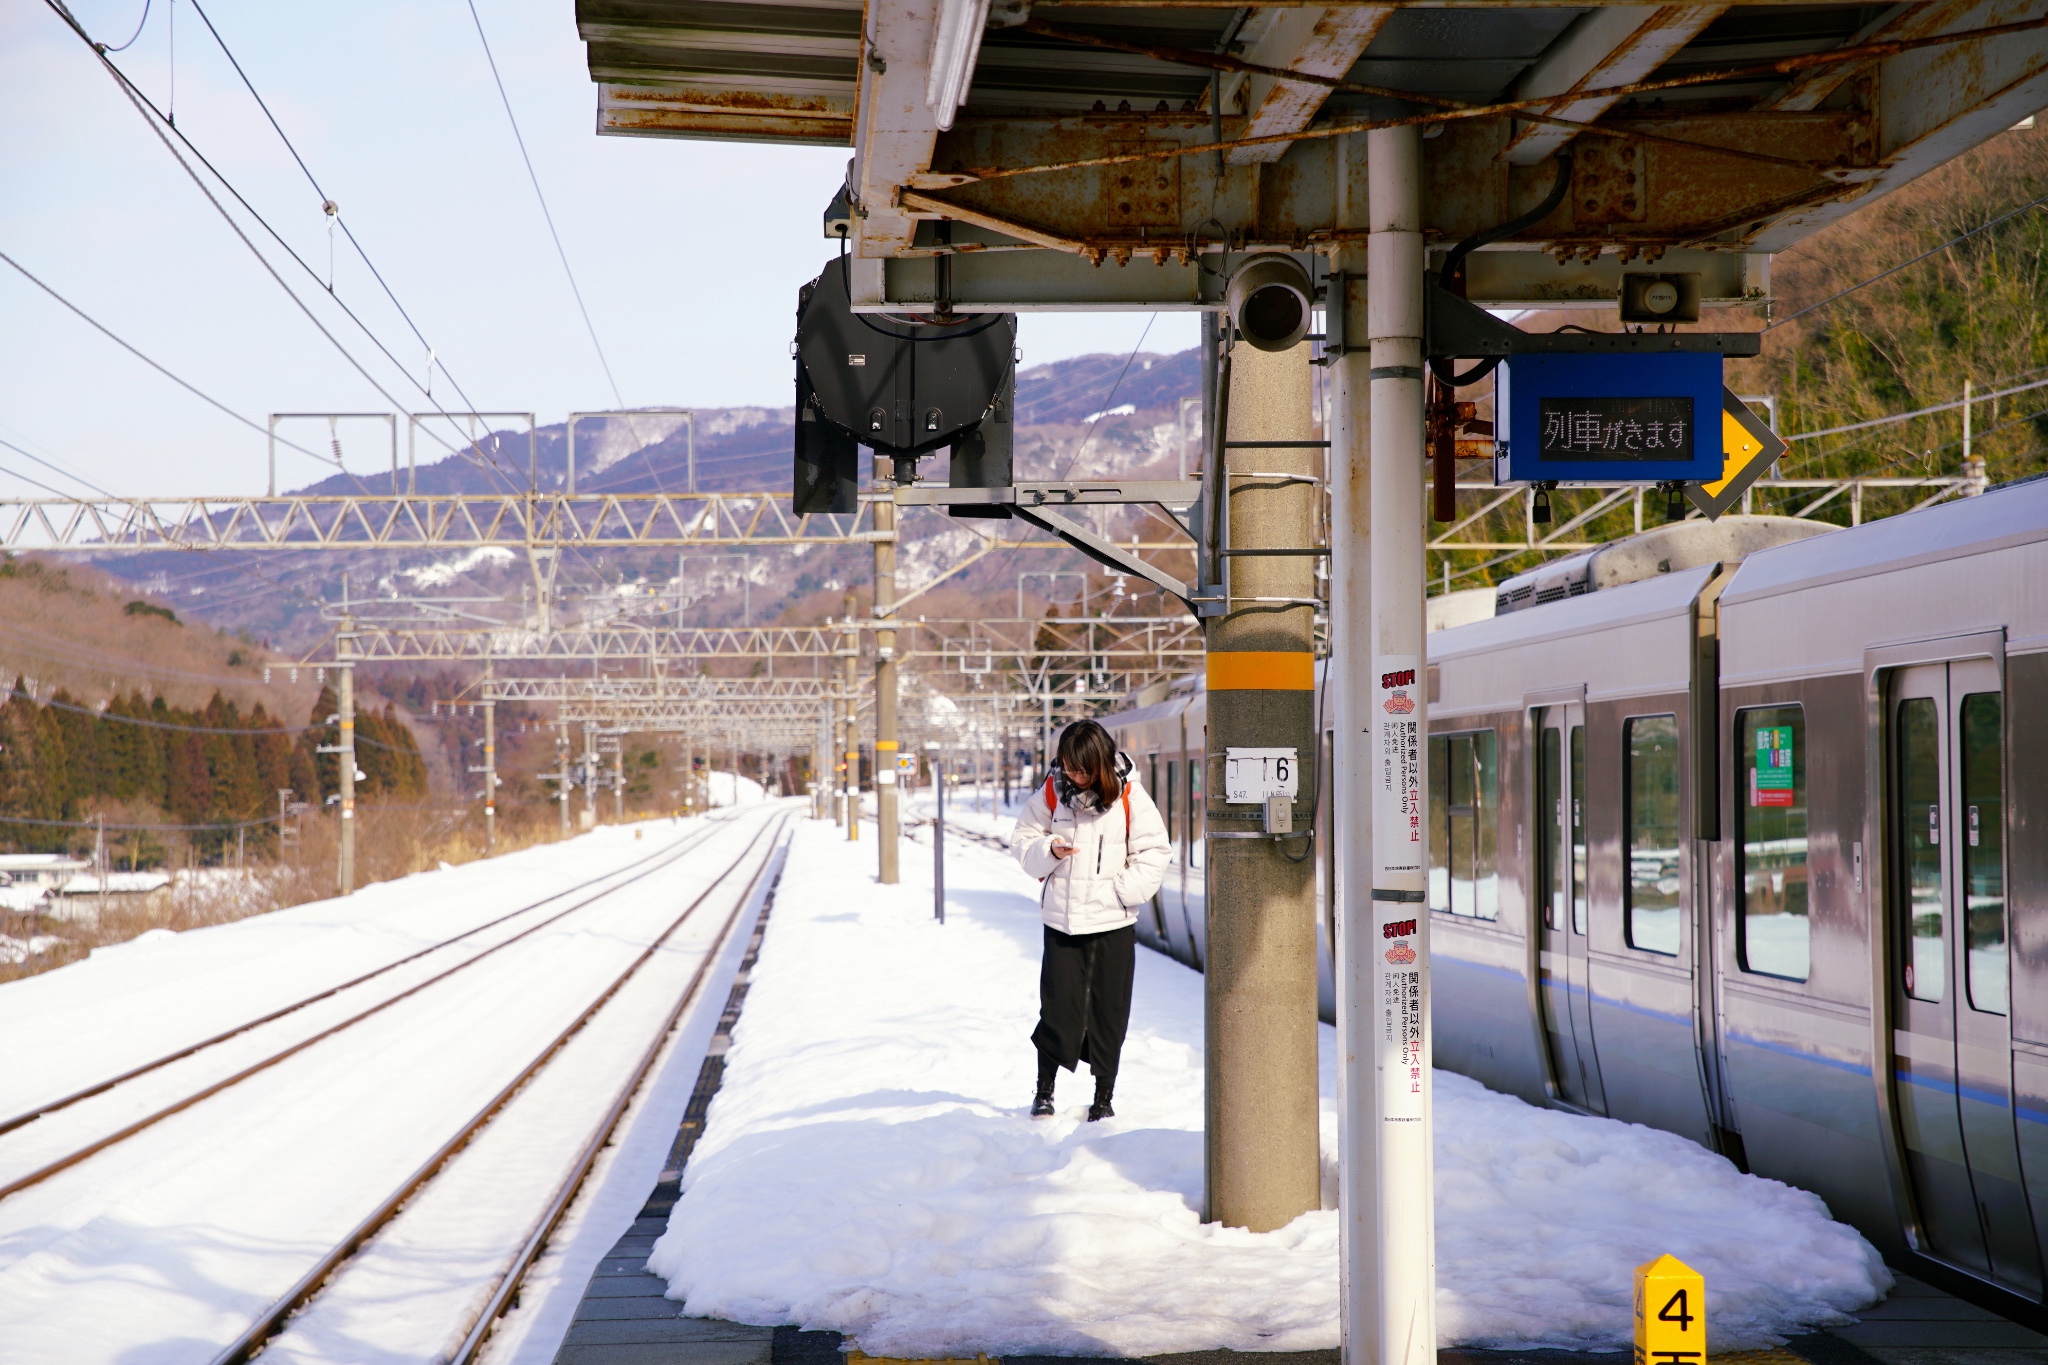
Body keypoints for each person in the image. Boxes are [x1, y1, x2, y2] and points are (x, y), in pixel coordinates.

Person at [1010, 719, 1170, 1121]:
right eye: (1068, 767)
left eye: (1081, 769)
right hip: (1061, 922)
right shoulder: (1052, 792)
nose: (1073, 776)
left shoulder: (1130, 793)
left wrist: (1119, 892)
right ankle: (1044, 1091)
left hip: (1112, 925)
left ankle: (1104, 1098)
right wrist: (1050, 849)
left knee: (1108, 1012)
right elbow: (1022, 841)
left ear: (1099, 764)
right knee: (1057, 1009)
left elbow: (1154, 852)